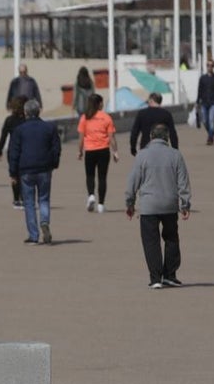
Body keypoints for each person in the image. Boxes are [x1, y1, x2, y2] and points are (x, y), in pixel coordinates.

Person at [125, 123, 191, 288]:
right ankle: (170, 275)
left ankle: (155, 278)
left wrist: (130, 203)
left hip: (148, 206)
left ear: (151, 137)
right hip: (169, 204)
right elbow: (183, 182)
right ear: (167, 137)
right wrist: (185, 204)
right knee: (171, 238)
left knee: (151, 241)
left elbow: (133, 181)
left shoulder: (142, 155)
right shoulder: (176, 155)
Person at [8, 99, 61, 245]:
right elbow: (56, 148)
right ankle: (44, 221)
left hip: (26, 170)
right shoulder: (49, 128)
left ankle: (33, 235)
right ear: (39, 111)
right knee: (44, 199)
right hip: (44, 169)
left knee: (29, 203)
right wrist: (54, 164)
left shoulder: (19, 130)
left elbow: (14, 152)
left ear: (26, 113)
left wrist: (13, 173)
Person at [77, 93, 119, 212]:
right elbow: (111, 137)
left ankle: (91, 195)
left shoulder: (85, 117)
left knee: (90, 175)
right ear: (99, 104)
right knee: (102, 177)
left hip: (90, 150)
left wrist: (80, 151)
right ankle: (101, 204)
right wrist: (115, 151)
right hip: (103, 150)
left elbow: (81, 138)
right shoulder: (106, 117)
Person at [0, 95, 27, 209]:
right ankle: (23, 198)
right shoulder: (27, 120)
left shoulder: (9, 120)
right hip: (25, 151)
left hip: (13, 151)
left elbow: (3, 136)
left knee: (14, 175)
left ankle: (16, 199)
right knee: (24, 175)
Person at [129, 92, 179, 156]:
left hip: (145, 148)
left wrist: (133, 148)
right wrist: (175, 149)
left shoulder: (142, 114)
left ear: (151, 100)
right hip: (162, 148)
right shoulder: (166, 114)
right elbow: (173, 134)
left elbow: (134, 133)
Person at [196, 59, 214, 145]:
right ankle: (211, 132)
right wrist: (197, 101)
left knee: (211, 119)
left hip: (213, 102)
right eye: (208, 65)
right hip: (204, 102)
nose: (209, 67)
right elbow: (200, 90)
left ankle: (210, 138)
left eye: (211, 65)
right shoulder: (203, 78)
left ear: (213, 67)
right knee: (204, 120)